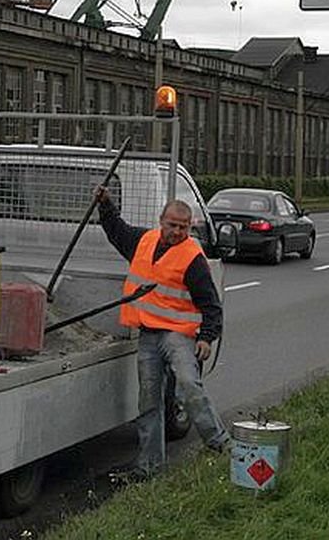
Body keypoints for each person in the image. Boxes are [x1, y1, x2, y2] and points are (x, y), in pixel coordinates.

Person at [95, 186, 231, 481]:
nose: (177, 232)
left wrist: (206, 337)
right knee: (149, 401)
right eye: (172, 225)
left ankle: (220, 443)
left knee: (189, 385)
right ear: (161, 222)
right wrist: (105, 205)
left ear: (189, 227)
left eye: (183, 227)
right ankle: (149, 466)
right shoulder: (143, 241)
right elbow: (117, 231)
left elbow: (211, 304)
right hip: (148, 335)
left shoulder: (192, 258)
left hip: (178, 336)